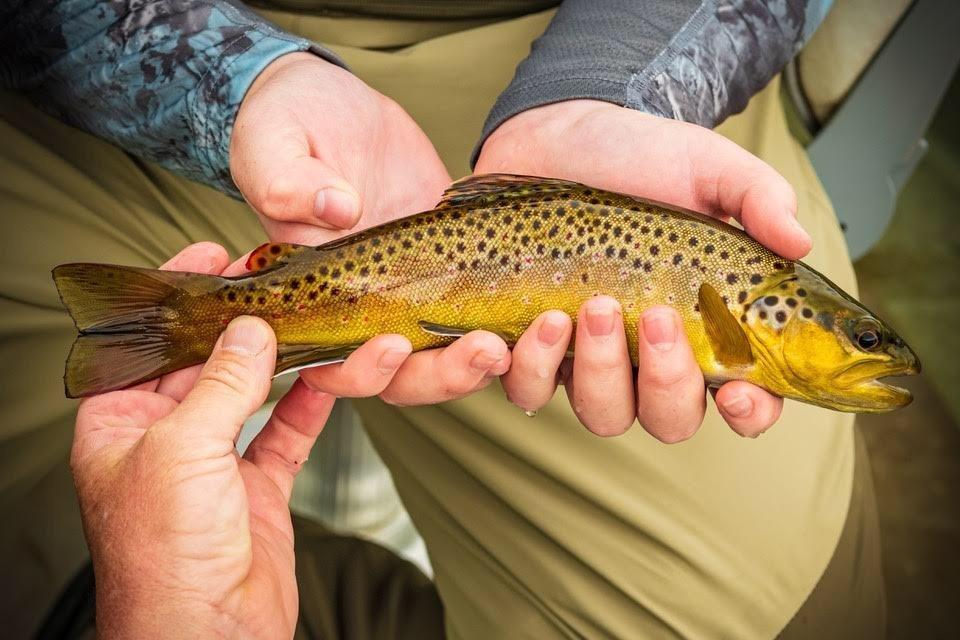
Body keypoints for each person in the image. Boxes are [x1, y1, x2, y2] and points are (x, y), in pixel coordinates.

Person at [1, 1, 884, 637]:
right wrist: (237, 81)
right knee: (50, 546)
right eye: (863, 340)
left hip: (611, 52)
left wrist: (610, 87)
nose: (874, 353)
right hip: (119, 63)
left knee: (761, 610)